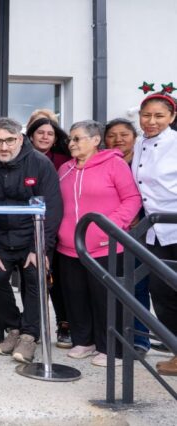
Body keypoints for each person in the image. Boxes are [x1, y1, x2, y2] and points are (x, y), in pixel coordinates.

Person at [0, 117, 63, 364]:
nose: (4, 147)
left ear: (20, 139)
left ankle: (29, 336)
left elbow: (53, 209)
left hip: (33, 238)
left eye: (9, 140)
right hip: (0, 240)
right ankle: (14, 329)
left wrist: (39, 248)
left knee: (36, 280)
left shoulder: (40, 164)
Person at [56, 120, 141, 367]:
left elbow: (132, 198)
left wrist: (109, 227)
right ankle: (84, 341)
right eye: (70, 139)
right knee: (76, 296)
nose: (71, 144)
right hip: (69, 246)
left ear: (95, 140)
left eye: (77, 138)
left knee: (106, 299)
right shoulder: (65, 169)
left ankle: (111, 348)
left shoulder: (114, 164)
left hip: (105, 246)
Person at [131, 91, 177, 376]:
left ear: (172, 117)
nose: (151, 121)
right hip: (155, 232)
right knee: (161, 292)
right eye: (146, 115)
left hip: (175, 226)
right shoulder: (140, 144)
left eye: (159, 116)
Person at [105, 118, 150, 354]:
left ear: (135, 137)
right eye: (112, 135)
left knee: (140, 285)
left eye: (124, 134)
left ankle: (141, 339)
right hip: (114, 232)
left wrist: (138, 215)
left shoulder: (144, 162)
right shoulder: (105, 162)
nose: (118, 139)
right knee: (119, 285)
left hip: (144, 231)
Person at [27, 117, 72, 348]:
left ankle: (64, 324)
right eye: (40, 132)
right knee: (33, 280)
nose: (45, 137)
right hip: (26, 226)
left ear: (55, 139)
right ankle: (30, 328)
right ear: (31, 135)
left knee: (55, 279)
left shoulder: (64, 161)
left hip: (56, 224)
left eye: (50, 133)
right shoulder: (20, 157)